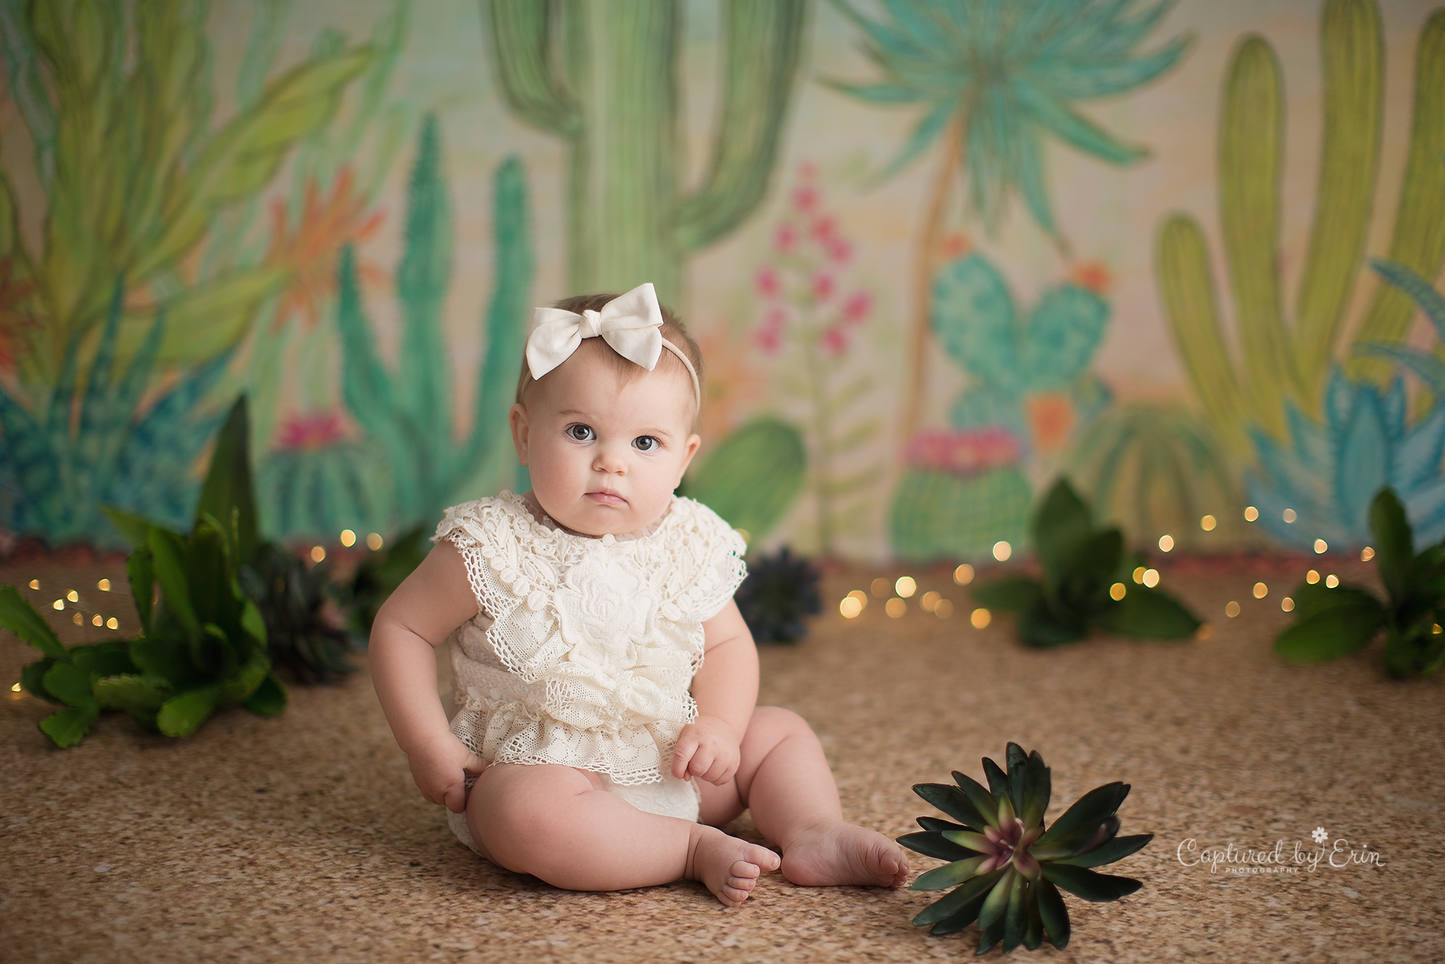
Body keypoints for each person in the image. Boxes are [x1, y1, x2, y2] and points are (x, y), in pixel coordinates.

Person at [371, 283, 909, 906]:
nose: (611, 463)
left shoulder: (686, 541)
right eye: (580, 431)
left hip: (672, 763)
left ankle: (814, 830)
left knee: (781, 733)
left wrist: (720, 727)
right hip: (549, 773)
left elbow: (730, 643)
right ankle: (687, 848)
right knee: (520, 813)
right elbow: (401, 629)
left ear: (683, 460)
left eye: (644, 443)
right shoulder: (494, 544)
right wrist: (428, 742)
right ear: (523, 435)